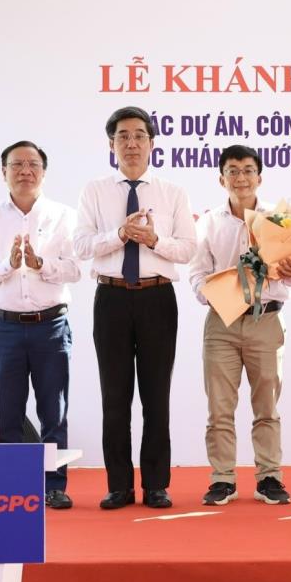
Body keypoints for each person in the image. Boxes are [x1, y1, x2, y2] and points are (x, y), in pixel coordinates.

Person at [73, 106, 196, 510]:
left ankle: (156, 485)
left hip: (157, 298)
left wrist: (154, 240)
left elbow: (188, 249)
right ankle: (119, 485)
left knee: (156, 397)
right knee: (115, 397)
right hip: (110, 298)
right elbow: (81, 246)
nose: (131, 143)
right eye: (122, 136)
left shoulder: (172, 192)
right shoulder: (94, 191)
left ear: (151, 143)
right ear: (111, 144)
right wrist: (120, 234)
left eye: (139, 135)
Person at [0, 140, 81, 509]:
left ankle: (53, 486)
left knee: (53, 411)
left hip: (51, 326)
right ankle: (13, 487)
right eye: (17, 164)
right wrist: (9, 264)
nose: (25, 171)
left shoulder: (64, 216)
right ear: (4, 172)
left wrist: (40, 263)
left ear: (44, 172)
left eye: (33, 164)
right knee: (9, 412)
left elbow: (75, 269)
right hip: (5, 327)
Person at [189, 145, 291, 506]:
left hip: (266, 320)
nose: (241, 178)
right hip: (221, 323)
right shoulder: (208, 222)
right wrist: (213, 294)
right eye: (233, 171)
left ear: (260, 177)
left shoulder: (278, 221)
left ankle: (269, 477)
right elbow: (196, 274)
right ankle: (222, 478)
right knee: (219, 407)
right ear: (221, 178)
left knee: (267, 406)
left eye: (248, 170)